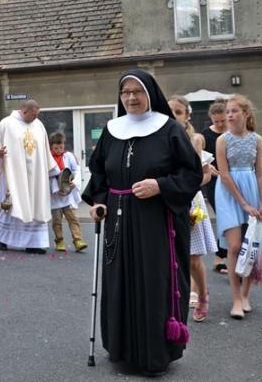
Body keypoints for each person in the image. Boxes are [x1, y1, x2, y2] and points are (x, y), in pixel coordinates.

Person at [83, 69, 201, 376]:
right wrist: (98, 201)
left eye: (137, 91)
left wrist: (160, 185)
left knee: (153, 282)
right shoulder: (112, 130)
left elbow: (191, 173)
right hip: (118, 221)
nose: (131, 97)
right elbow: (99, 172)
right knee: (119, 281)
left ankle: (154, 355)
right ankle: (122, 350)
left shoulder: (169, 129)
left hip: (156, 221)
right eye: (125, 92)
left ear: (150, 94)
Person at [215, 95, 262, 320]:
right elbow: (224, 174)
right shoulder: (222, 140)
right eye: (227, 111)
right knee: (235, 246)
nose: (229, 115)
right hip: (229, 193)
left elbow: (260, 173)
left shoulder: (257, 139)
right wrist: (243, 203)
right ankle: (236, 298)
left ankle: (246, 295)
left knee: (252, 244)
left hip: (252, 189)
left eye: (234, 111)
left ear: (246, 114)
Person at [169, 95, 217, 323]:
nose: (173, 116)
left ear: (187, 115)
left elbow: (205, 174)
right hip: (168, 200)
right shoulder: (159, 139)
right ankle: (178, 295)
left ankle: (203, 295)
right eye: (169, 111)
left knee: (193, 258)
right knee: (171, 256)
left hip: (190, 200)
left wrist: (189, 185)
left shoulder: (195, 139)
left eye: (178, 112)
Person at [0, 100, 55, 253]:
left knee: (35, 205)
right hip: (13, 174)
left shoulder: (39, 125)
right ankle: (3, 240)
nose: (36, 118)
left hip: (35, 175)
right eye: (34, 115)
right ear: (24, 112)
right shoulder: (7, 123)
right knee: (12, 205)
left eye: (37, 115)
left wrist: (55, 172)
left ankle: (34, 244)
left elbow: (45, 150)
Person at [201, 99, 229, 274]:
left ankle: (228, 256)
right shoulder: (205, 134)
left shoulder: (233, 133)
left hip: (233, 180)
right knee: (224, 217)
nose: (219, 124)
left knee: (235, 220)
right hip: (214, 183)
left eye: (222, 121)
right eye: (216, 121)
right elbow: (197, 153)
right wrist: (206, 165)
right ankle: (220, 257)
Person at [48, 132, 87, 252]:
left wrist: (74, 182)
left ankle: (78, 240)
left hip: (68, 194)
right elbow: (46, 175)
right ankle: (59, 240)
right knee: (57, 221)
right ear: (51, 146)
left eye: (61, 147)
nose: (59, 150)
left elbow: (76, 170)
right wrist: (56, 189)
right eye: (56, 148)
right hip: (55, 196)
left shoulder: (69, 156)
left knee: (73, 218)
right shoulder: (48, 158)